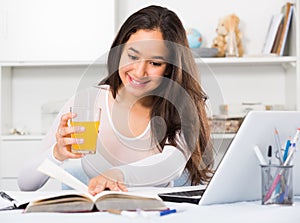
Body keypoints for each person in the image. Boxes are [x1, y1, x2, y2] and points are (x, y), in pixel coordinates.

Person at [18, 5, 214, 195]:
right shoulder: (87, 102)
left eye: (155, 63)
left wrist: (116, 175)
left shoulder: (182, 107)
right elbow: (26, 184)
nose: (139, 72)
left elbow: (171, 164)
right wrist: (57, 153)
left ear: (170, 67)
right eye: (132, 56)